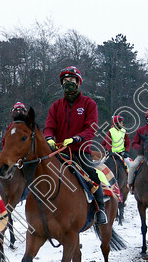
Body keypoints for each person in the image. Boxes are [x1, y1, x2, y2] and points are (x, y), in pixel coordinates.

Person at [43, 66, 107, 225]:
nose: (68, 83)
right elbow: (49, 126)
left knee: (92, 174)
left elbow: (91, 128)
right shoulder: (56, 106)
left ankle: (101, 210)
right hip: (59, 152)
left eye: (71, 80)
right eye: (65, 81)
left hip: (81, 151)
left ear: (78, 82)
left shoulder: (88, 103)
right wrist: (49, 137)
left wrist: (77, 138)